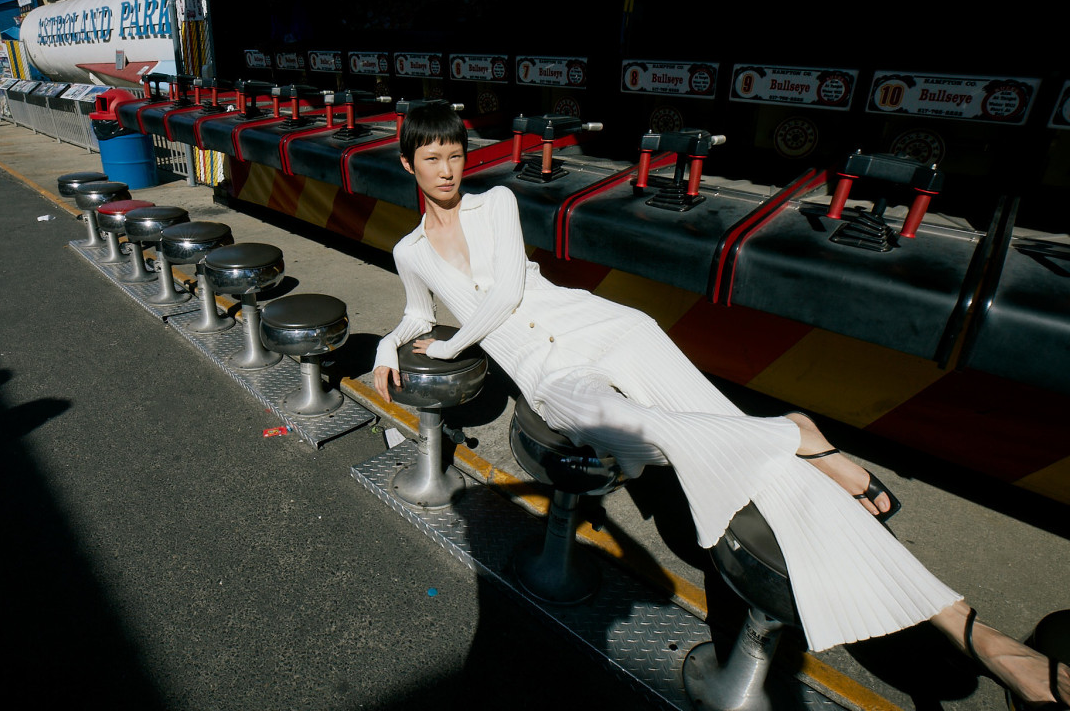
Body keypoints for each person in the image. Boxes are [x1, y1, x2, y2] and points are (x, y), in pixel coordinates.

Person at [373, 102, 1068, 707]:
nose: (447, 169)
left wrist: (451, 343)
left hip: (598, 327)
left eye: (455, 154)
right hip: (545, 370)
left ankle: (981, 637)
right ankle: (792, 433)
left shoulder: (495, 202)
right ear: (408, 164)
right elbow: (414, 314)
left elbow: (502, 295)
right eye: (432, 158)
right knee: (642, 435)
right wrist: (387, 347)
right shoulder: (411, 251)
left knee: (771, 474)